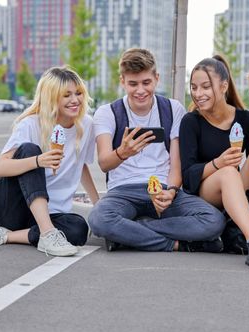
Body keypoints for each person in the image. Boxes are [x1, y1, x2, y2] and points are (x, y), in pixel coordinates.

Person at [88, 48, 225, 252]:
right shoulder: (107, 112)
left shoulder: (172, 108)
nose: (140, 90)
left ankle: (131, 232)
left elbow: (176, 164)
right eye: (133, 84)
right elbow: (104, 163)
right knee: (99, 219)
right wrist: (122, 153)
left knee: (214, 220)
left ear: (156, 79)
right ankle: (174, 244)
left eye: (146, 82)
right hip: (123, 192)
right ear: (122, 81)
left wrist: (170, 191)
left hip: (163, 188)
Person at [0, 66, 99, 257]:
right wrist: (37, 161)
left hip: (52, 212)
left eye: (78, 93)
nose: (75, 100)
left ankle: (5, 236)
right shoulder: (30, 124)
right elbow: (0, 168)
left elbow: (81, 165)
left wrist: (98, 205)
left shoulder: (86, 125)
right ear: (51, 97)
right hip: (13, 208)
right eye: (66, 95)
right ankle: (47, 234)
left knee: (78, 229)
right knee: (29, 149)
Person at [179, 55, 249, 270]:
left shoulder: (246, 120)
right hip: (206, 192)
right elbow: (188, 178)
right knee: (228, 172)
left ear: (224, 86)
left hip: (235, 187)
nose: (198, 94)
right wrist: (217, 163)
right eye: (194, 87)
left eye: (206, 87)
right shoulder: (191, 121)